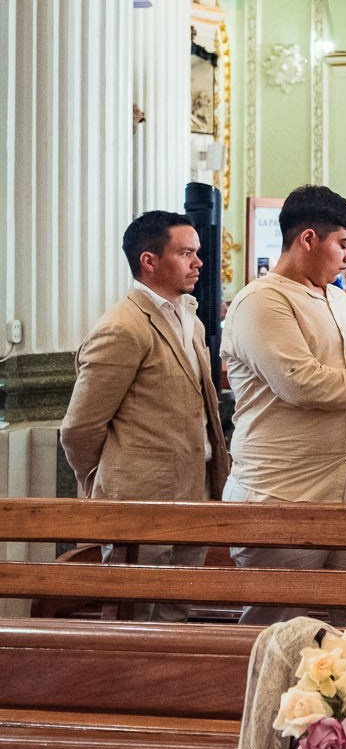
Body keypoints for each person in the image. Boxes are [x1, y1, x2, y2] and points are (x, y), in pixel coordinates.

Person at [220, 185, 346, 625]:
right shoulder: (262, 301)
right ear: (308, 239)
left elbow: (337, 366)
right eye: (343, 244)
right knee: (278, 626)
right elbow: (302, 384)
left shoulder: (333, 297)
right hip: (286, 489)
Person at [61, 211, 228, 616]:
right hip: (138, 501)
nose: (198, 262)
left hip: (193, 489)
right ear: (149, 261)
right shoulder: (123, 327)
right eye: (186, 252)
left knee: (177, 612)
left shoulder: (186, 315)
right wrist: (107, 483)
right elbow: (80, 428)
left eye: (197, 252)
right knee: (134, 617)